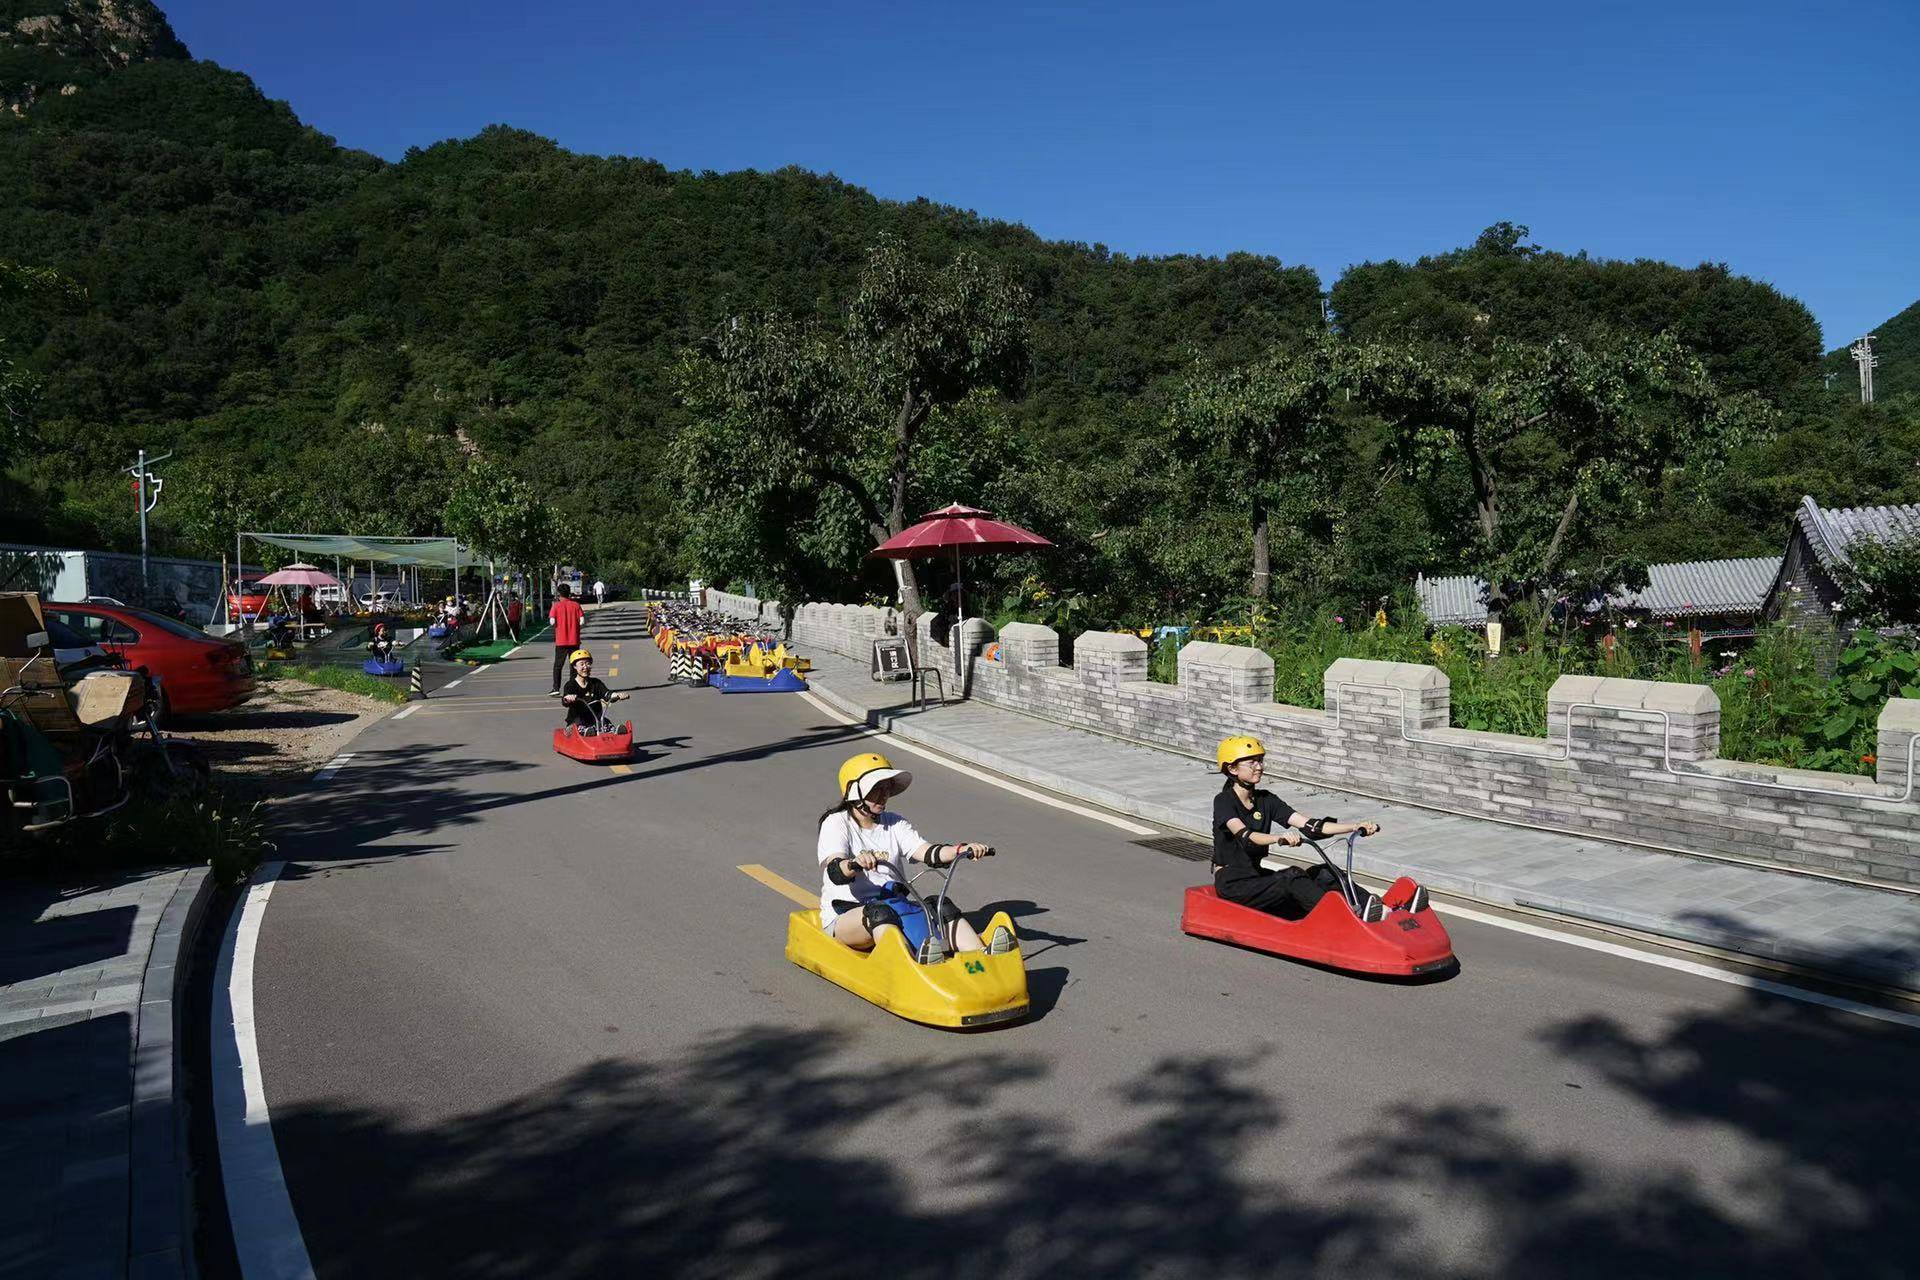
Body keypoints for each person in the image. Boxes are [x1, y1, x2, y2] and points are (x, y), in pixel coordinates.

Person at [815, 752, 1014, 956]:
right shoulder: (837, 822)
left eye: (887, 788)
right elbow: (835, 868)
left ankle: (983, 956)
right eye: (876, 788)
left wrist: (959, 850)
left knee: (940, 905)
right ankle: (910, 965)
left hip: (893, 904)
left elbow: (928, 853)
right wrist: (853, 864)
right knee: (880, 913)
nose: (884, 794)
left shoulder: (894, 822)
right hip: (847, 914)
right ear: (854, 790)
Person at [1211, 735, 1427, 922]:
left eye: (1260, 760)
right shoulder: (1224, 801)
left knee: (1325, 873)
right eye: (1251, 763)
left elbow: (1311, 826)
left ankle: (1383, 911)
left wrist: (1355, 826)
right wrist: (1279, 838)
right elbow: (1246, 836)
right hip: (1233, 884)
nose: (1259, 766)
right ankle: (1341, 919)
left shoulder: (1266, 800)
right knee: (1292, 875)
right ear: (1232, 768)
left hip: (1256, 877)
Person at [558, 649, 626, 729]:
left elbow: (607, 693)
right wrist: (568, 698)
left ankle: (616, 734)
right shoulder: (570, 685)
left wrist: (617, 695)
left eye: (588, 664)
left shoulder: (596, 683)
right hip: (577, 720)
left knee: (607, 725)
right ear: (574, 666)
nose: (585, 667)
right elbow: (565, 699)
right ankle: (588, 733)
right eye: (582, 664)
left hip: (596, 719)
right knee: (580, 728)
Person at [548, 583, 584, 695]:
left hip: (561, 641)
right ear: (569, 593)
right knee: (574, 665)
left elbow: (552, 621)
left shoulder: (556, 606)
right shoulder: (576, 605)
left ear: (559, 593)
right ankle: (573, 689)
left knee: (558, 665)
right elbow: (582, 621)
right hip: (574, 640)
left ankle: (556, 688)